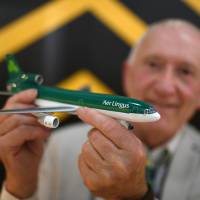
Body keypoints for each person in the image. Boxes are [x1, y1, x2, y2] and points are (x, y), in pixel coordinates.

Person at [1, 18, 200, 200]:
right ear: (127, 74)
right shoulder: (60, 146)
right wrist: (21, 186)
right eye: (153, 65)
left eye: (185, 72)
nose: (165, 87)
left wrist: (135, 197)